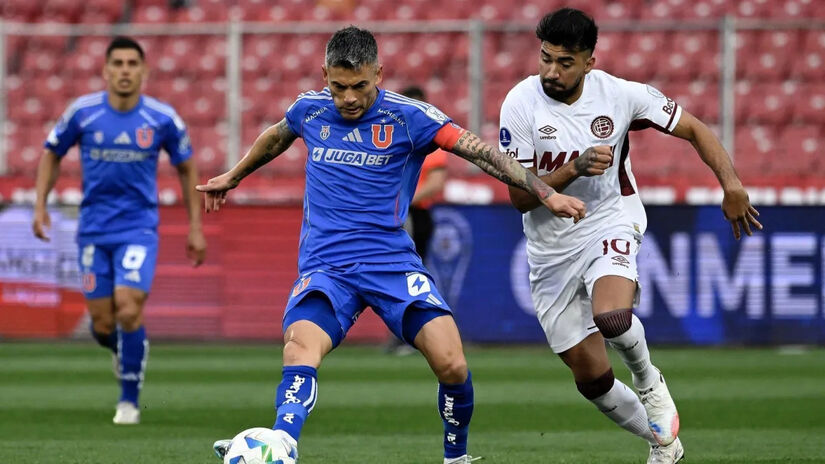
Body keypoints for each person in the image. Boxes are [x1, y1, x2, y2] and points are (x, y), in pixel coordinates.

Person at [201, 26, 585, 464]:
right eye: (338, 86)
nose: (348, 98)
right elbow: (277, 135)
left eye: (360, 86)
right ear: (324, 74)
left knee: (452, 364)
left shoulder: (410, 118)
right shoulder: (309, 110)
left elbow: (481, 152)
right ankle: (282, 442)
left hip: (391, 263)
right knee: (299, 347)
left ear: (378, 74)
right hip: (327, 267)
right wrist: (234, 174)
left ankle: (455, 457)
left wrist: (546, 192)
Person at [500, 8, 762, 464]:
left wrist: (732, 185)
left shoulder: (621, 95)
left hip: (610, 218)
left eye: (564, 62)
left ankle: (649, 382)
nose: (551, 71)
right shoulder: (520, 104)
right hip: (550, 248)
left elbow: (695, 129)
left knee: (613, 318)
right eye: (545, 58)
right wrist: (574, 167)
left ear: (589, 61)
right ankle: (665, 445)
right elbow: (520, 198)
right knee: (592, 380)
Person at [32, 36, 207, 425]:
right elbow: (51, 153)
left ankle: (128, 401)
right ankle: (129, 349)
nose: (125, 70)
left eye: (132, 64)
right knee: (102, 323)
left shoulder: (161, 118)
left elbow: (187, 165)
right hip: (94, 229)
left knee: (128, 308)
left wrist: (195, 227)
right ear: (105, 70)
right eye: (118, 63)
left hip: (138, 227)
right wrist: (41, 205)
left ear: (144, 71)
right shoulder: (83, 112)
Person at [384, 85, 449, 356]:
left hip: (415, 214)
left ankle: (417, 334)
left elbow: (435, 184)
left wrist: (402, 201)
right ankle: (406, 333)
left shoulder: (430, 141)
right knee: (397, 276)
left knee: (410, 276)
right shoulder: (390, 139)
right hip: (398, 214)